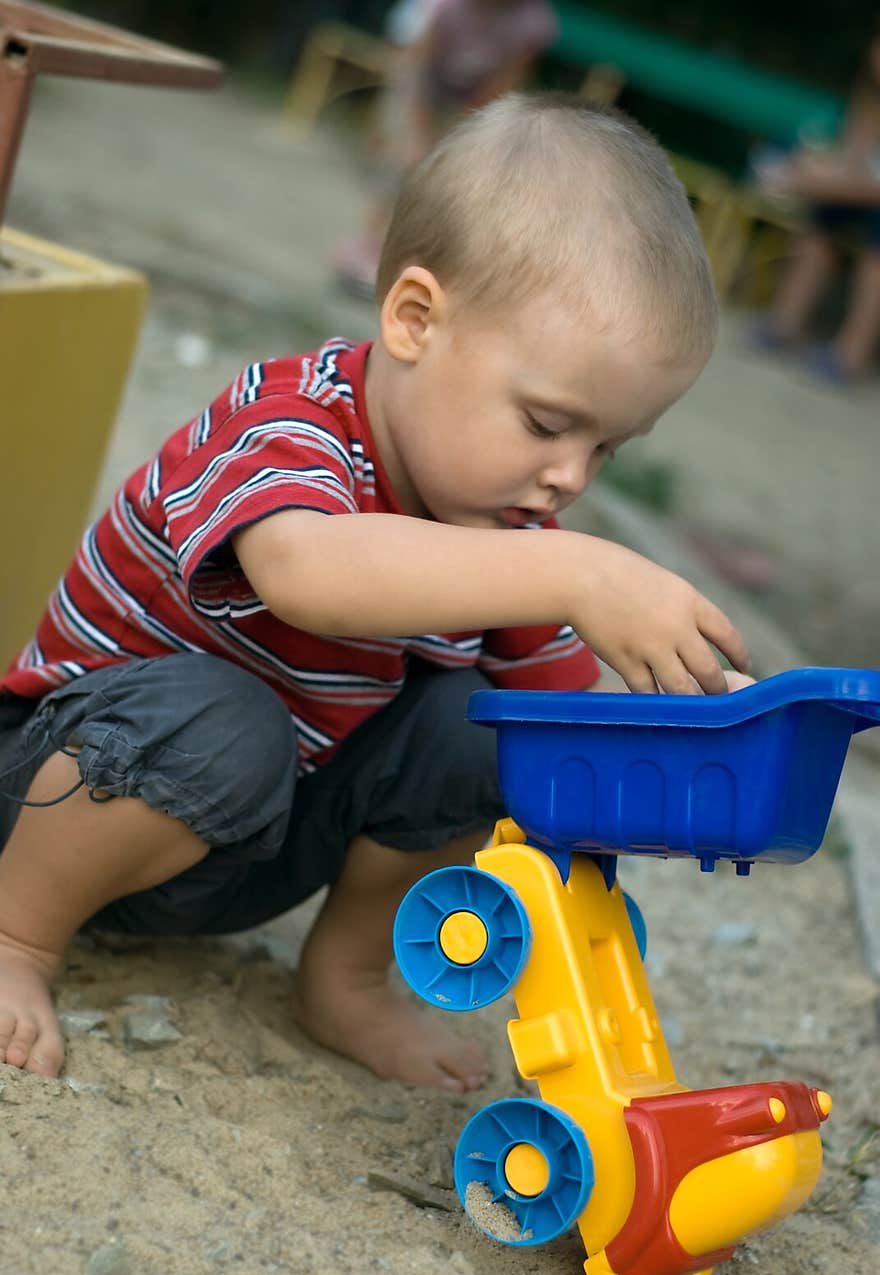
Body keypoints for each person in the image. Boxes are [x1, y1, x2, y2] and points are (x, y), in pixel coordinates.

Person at [0, 92, 751, 1096]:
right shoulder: (286, 425)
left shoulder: (508, 533)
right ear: (413, 320)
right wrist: (580, 569)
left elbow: (554, 730)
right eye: (544, 423)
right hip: (62, 797)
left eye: (604, 447)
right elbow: (306, 573)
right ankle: (16, 936)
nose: (570, 477)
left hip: (244, 845)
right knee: (230, 723)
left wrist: (695, 765)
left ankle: (346, 975)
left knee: (489, 730)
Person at [332, 0, 558, 298]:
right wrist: (417, 134)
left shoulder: (535, 22)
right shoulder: (446, 7)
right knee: (402, 163)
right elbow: (415, 69)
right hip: (419, 84)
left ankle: (419, 260)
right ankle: (369, 246)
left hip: (471, 97)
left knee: (453, 176)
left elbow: (505, 81)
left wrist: (461, 135)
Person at [750, 18, 880, 383]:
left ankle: (849, 355)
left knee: (876, 250)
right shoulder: (869, 97)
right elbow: (856, 162)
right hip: (867, 194)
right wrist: (816, 173)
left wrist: (803, 181)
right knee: (823, 219)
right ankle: (784, 324)